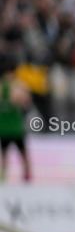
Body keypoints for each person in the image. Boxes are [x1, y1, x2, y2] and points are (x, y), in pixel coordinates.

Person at [0, 55, 32, 183]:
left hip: (13, 126)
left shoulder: (17, 86)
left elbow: (26, 103)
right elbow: (26, 101)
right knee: (7, 154)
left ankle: (26, 176)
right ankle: (6, 177)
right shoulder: (17, 86)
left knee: (21, 153)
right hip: (8, 126)